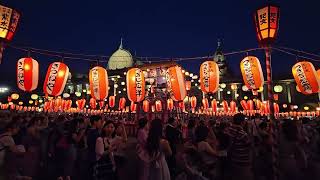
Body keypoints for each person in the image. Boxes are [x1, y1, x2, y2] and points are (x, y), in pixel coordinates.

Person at [226, 113, 253, 180]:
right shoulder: (242, 133)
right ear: (242, 122)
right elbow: (250, 144)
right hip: (242, 160)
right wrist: (249, 130)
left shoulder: (229, 129)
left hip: (233, 157)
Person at [87, 115, 103, 180]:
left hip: (90, 154)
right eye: (100, 122)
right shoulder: (95, 133)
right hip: (94, 156)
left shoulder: (90, 131)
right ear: (95, 122)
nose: (101, 123)